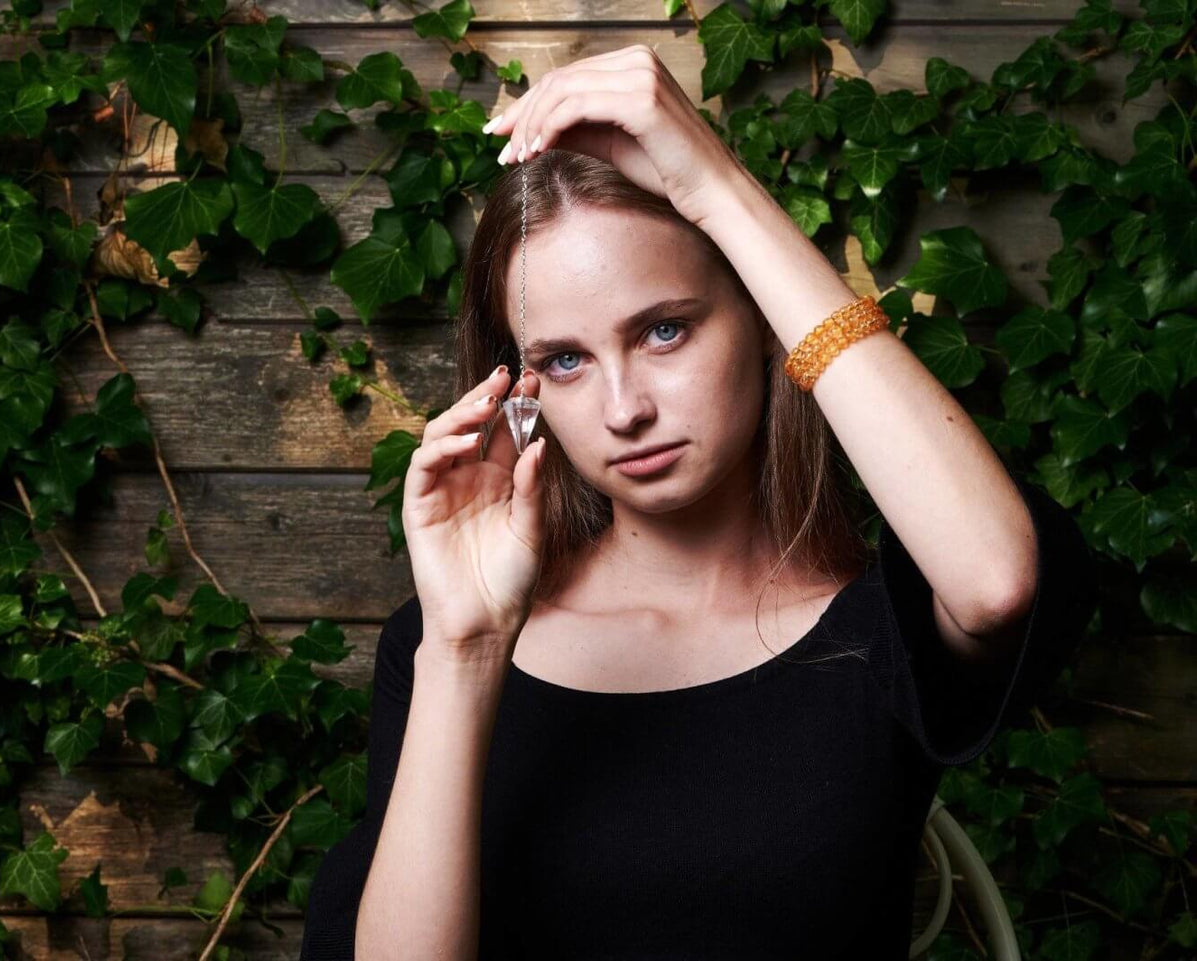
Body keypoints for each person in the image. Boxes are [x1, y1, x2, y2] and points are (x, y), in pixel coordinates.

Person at [299, 45, 1099, 960]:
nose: (623, 409)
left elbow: (996, 582)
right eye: (565, 359)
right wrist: (466, 651)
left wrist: (717, 187)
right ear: (520, 391)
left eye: (664, 330)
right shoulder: (444, 642)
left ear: (763, 320)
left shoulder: (880, 631)